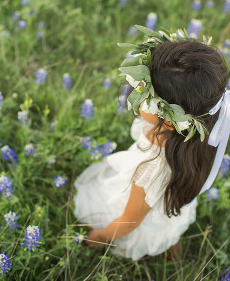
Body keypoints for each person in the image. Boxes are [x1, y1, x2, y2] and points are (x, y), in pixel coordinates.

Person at [74, 27, 230, 260]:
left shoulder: (149, 172)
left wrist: (99, 236)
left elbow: (128, 222)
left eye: (144, 97)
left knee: (120, 213)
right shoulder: (198, 140)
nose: (136, 96)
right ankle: (171, 248)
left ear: (169, 122)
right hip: (168, 203)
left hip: (138, 214)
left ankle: (165, 249)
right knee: (167, 221)